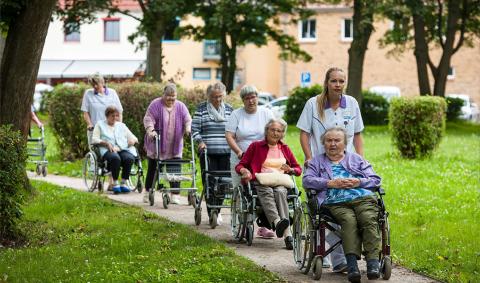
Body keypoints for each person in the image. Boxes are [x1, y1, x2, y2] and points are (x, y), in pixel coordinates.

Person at [296, 67, 365, 271]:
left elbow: (358, 134)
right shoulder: (313, 104)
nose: (337, 85)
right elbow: (304, 134)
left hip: (346, 166)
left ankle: (340, 259)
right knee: (324, 210)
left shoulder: (351, 104)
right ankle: (327, 255)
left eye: (341, 81)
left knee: (345, 209)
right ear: (326, 82)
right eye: (333, 81)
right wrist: (309, 158)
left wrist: (360, 160)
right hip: (321, 166)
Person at [303, 127, 381, 283]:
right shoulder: (316, 162)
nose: (333, 144)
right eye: (329, 140)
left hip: (362, 198)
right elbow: (307, 180)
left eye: (337, 140)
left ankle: (373, 263)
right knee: (348, 221)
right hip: (335, 202)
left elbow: (375, 179)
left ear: (345, 143)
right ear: (323, 143)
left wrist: (359, 181)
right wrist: (329, 183)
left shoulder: (357, 159)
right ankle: (352, 265)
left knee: (367, 219)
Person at [235, 118, 302, 250]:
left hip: (279, 180)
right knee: (267, 191)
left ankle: (283, 229)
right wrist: (244, 171)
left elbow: (298, 169)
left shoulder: (285, 148)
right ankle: (282, 227)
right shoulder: (255, 146)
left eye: (279, 131)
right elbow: (240, 165)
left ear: (282, 134)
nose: (276, 133)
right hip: (261, 180)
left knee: (281, 192)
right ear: (267, 131)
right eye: (273, 130)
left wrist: (291, 170)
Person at [225, 84, 275, 238]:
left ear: (257, 98)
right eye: (247, 98)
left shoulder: (266, 113)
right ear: (243, 100)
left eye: (253, 97)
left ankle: (264, 225)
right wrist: (239, 152)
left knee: (265, 189)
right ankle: (243, 221)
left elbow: (276, 132)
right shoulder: (236, 115)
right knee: (242, 192)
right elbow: (229, 136)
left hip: (263, 159)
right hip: (242, 159)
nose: (251, 101)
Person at [192, 82, 234, 225]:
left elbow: (234, 130)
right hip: (207, 152)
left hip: (226, 152)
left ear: (224, 95)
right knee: (209, 182)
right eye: (214, 97)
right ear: (208, 96)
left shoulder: (229, 110)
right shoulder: (201, 109)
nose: (217, 100)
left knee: (223, 182)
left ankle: (218, 210)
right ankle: (211, 210)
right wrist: (200, 142)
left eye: (220, 96)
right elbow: (195, 129)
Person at [143, 83, 192, 205]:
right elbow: (148, 118)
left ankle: (175, 194)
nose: (171, 99)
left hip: (175, 145)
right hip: (157, 144)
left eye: (173, 96)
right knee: (153, 169)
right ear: (163, 95)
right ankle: (148, 191)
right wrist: (151, 130)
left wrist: (188, 128)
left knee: (175, 169)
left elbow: (187, 119)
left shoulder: (180, 106)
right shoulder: (155, 104)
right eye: (168, 96)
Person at [91, 106, 138, 194]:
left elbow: (134, 137)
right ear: (107, 116)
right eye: (113, 116)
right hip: (107, 149)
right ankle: (115, 183)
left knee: (129, 158)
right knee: (115, 158)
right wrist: (105, 143)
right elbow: (94, 139)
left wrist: (133, 140)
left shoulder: (121, 125)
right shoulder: (100, 124)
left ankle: (123, 183)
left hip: (122, 148)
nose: (115, 118)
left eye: (117, 116)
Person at [81, 73, 123, 146]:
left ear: (102, 82)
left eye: (97, 84)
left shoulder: (112, 93)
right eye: (93, 84)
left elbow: (119, 111)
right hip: (96, 130)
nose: (95, 86)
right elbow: (85, 112)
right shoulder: (88, 93)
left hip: (111, 129)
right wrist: (89, 124)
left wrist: (119, 125)